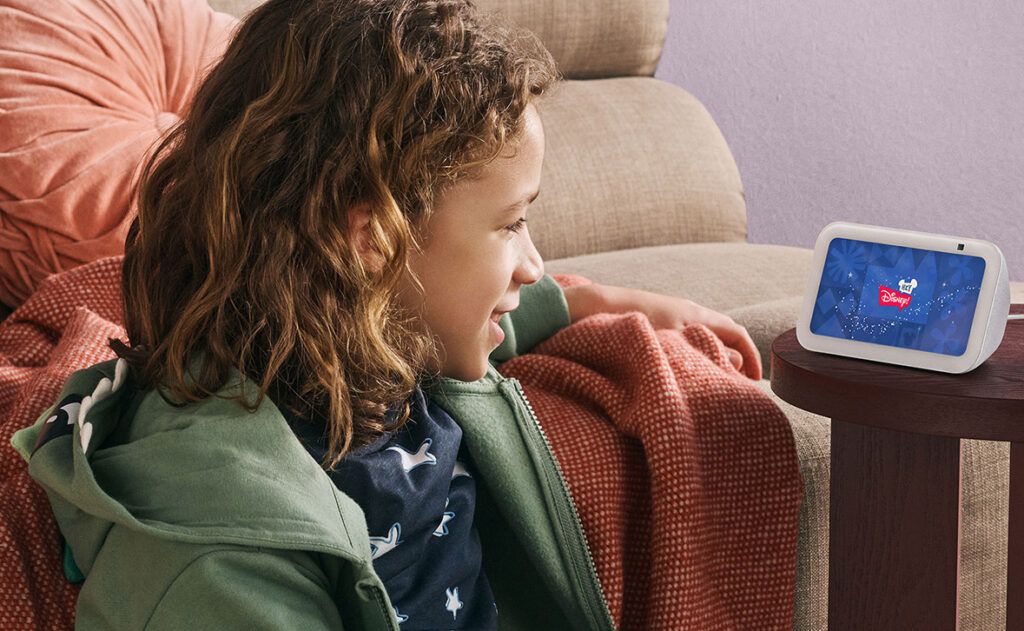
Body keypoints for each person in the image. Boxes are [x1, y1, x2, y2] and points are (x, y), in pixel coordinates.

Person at [11, 0, 762, 628]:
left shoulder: (360, 342)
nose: (533, 264)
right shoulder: (218, 553)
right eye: (509, 226)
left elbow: (460, 303)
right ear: (372, 238)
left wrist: (587, 300)